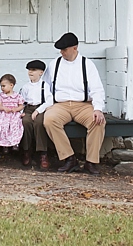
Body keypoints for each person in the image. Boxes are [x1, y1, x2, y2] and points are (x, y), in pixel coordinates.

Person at [42, 32, 107, 174]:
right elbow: (46, 86)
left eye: (64, 49)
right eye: (61, 50)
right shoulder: (55, 64)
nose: (62, 52)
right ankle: (69, 159)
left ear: (75, 48)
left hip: (83, 105)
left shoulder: (87, 64)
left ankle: (91, 162)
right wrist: (48, 104)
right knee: (49, 120)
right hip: (60, 105)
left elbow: (97, 89)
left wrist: (98, 108)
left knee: (98, 121)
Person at [18, 59, 53, 169]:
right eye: (29, 70)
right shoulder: (26, 87)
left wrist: (38, 111)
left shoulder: (44, 86)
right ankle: (26, 151)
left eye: (33, 70)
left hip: (40, 108)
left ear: (41, 72)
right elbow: (21, 101)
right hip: (28, 109)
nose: (30, 72)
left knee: (39, 123)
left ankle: (43, 153)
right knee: (26, 122)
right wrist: (20, 112)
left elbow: (49, 101)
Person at [0, 74, 24, 152]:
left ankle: (15, 143)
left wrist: (16, 109)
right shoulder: (1, 96)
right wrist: (4, 108)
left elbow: (21, 106)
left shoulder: (17, 96)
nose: (2, 88)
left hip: (13, 114)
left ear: (11, 85)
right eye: (1, 86)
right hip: (4, 114)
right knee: (1, 124)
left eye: (3, 86)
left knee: (15, 124)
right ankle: (4, 144)